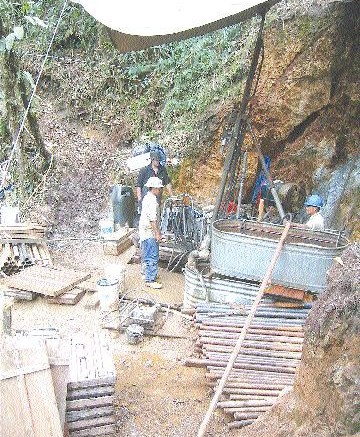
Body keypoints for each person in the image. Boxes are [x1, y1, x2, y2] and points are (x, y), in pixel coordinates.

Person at [139, 176, 163, 289]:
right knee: (152, 255)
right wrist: (157, 233)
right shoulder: (152, 200)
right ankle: (150, 279)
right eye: (159, 188)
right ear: (154, 188)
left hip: (144, 231)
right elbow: (153, 219)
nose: (160, 190)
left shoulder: (147, 197)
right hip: (149, 232)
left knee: (147, 253)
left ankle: (147, 274)